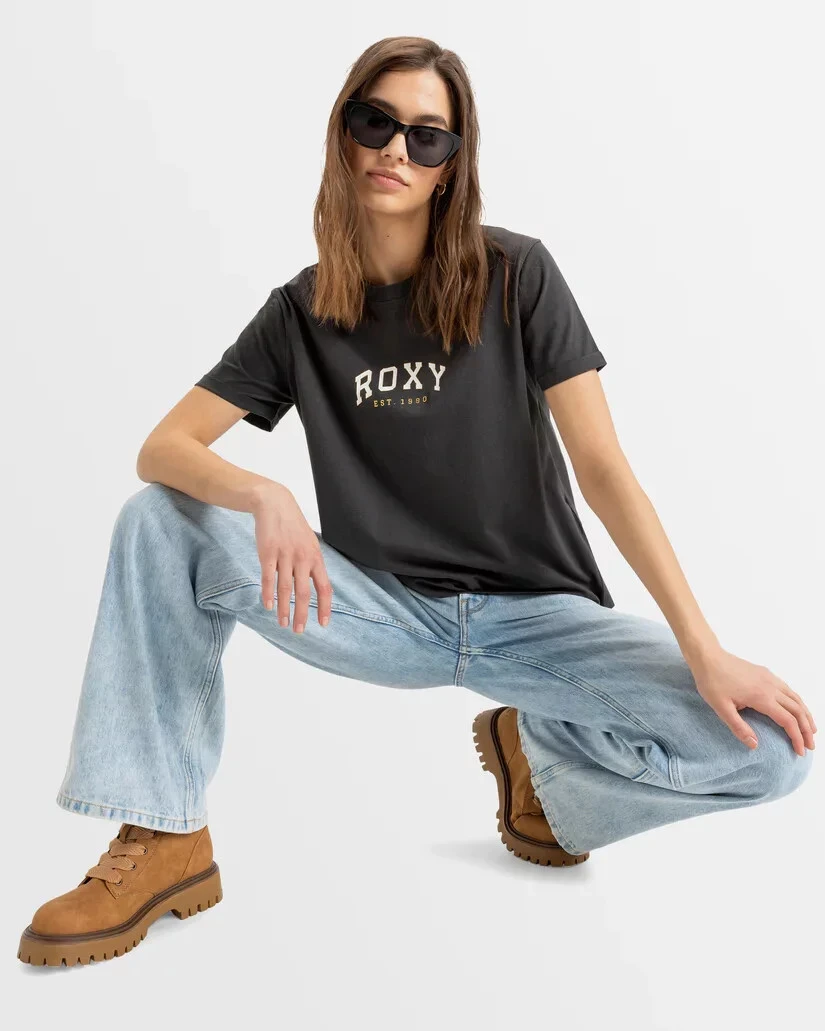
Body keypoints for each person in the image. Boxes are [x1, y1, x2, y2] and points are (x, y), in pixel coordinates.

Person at [18, 36, 815, 969]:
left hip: (538, 620)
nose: (396, 149)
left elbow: (603, 469)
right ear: (344, 135)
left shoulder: (517, 273)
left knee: (769, 754)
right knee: (157, 520)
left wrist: (702, 648)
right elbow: (162, 448)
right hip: (379, 613)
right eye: (377, 123)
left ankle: (546, 778)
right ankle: (163, 833)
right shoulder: (301, 311)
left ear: (450, 164)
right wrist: (262, 490)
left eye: (427, 136)